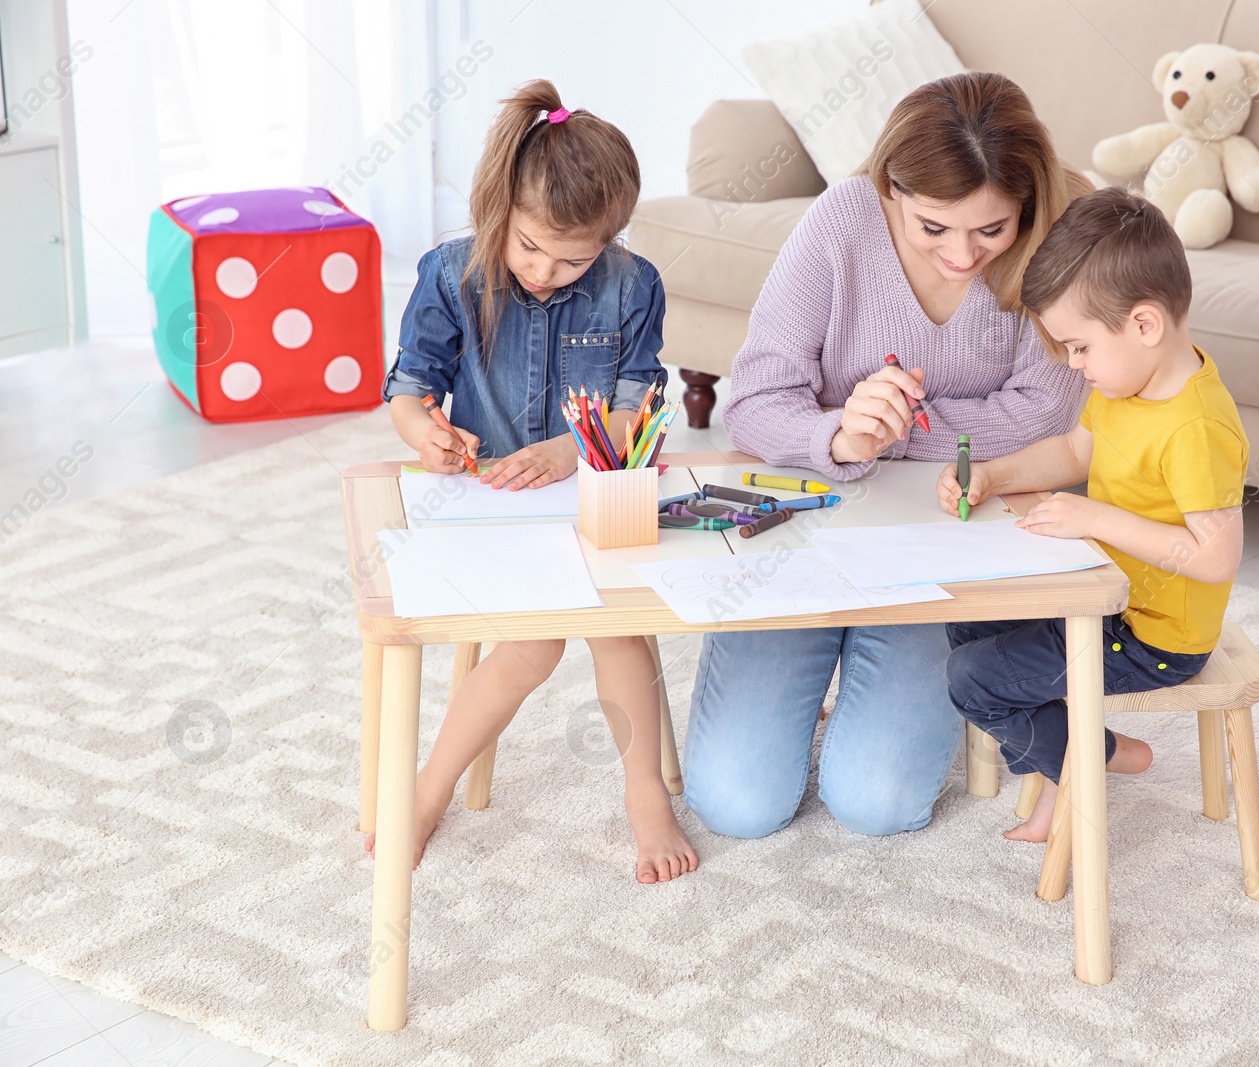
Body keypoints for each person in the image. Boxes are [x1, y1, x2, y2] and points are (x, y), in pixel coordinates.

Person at [687, 72, 1094, 839]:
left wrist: (900, 432)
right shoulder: (841, 221)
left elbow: (1044, 416)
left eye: (991, 229)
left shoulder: (1057, 233)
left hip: (943, 540)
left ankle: (860, 678)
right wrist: (836, 435)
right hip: (803, 529)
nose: (963, 255)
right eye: (933, 227)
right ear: (891, 190)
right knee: (737, 803)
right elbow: (754, 400)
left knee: (878, 802)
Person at [376, 79, 695, 883]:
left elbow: (639, 407)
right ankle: (426, 790)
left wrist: (567, 452)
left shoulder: (631, 284)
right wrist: (429, 434)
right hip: (490, 506)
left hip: (593, 496)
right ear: (499, 209)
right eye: (529, 248)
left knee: (617, 627)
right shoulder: (452, 274)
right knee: (531, 642)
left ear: (609, 238)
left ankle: (645, 793)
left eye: (573, 256)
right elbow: (409, 389)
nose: (547, 271)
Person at [940, 185, 1249, 841]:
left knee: (974, 679)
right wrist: (994, 475)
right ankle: (1098, 748)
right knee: (970, 614)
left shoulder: (1193, 426)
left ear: (1144, 324)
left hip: (1155, 638)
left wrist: (1096, 519)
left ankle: (1079, 766)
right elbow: (1072, 448)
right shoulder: (1127, 381)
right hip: (1104, 592)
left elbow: (1217, 554)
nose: (1074, 367)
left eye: (1079, 347)